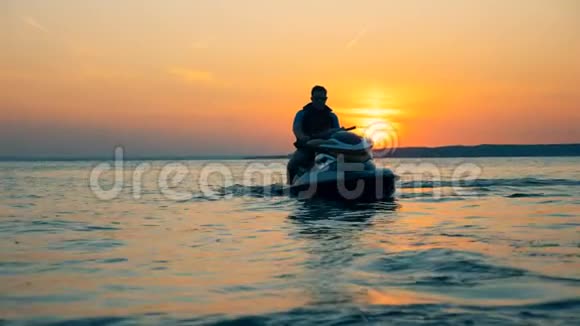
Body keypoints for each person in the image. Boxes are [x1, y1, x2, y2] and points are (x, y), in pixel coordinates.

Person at [287, 85, 340, 184]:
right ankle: (290, 186)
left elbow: (338, 133)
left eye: (322, 99)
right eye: (317, 99)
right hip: (307, 147)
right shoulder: (302, 114)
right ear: (311, 99)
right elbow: (296, 128)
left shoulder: (332, 116)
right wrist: (302, 137)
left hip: (327, 149)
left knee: (344, 160)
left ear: (326, 99)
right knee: (293, 163)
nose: (320, 101)